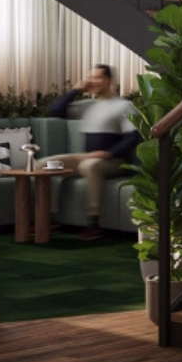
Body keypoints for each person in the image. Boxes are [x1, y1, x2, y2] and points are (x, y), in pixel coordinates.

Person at [42, 64, 140, 239]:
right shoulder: (86, 106)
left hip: (114, 161)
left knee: (91, 165)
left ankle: (93, 221)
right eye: (91, 77)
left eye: (97, 77)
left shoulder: (124, 105)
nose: (93, 81)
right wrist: (76, 90)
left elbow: (133, 137)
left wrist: (108, 153)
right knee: (44, 164)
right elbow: (55, 110)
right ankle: (48, 217)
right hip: (85, 157)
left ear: (109, 80)